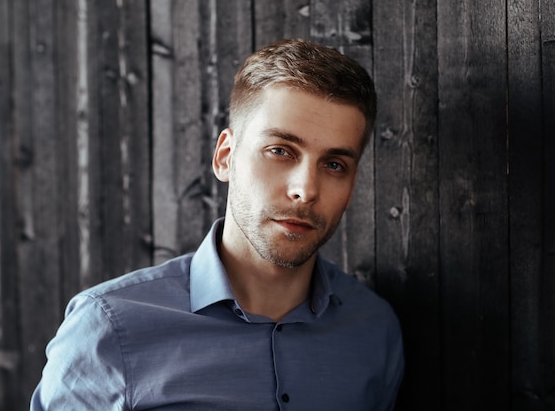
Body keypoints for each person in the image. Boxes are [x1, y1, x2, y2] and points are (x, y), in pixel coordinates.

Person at [30, 38, 404, 411]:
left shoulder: (374, 330)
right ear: (226, 157)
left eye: (334, 165)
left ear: (352, 185)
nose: (305, 190)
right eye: (280, 151)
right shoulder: (108, 330)